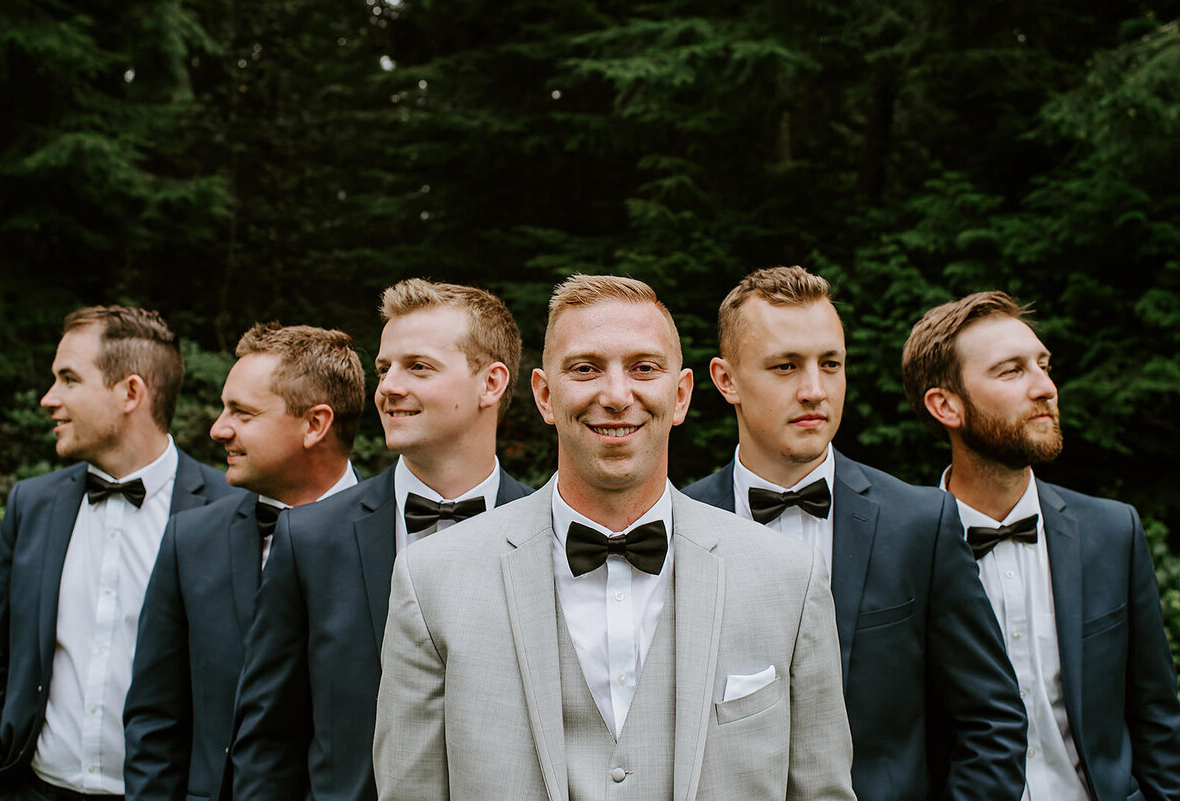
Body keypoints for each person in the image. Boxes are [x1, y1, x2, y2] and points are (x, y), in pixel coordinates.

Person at [374, 275, 855, 801]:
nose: (617, 395)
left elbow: (821, 790)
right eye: (585, 369)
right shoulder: (432, 580)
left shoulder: (789, 577)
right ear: (543, 395)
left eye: (644, 368)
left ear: (680, 396)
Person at [684, 266, 1027, 801]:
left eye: (831, 364)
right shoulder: (679, 526)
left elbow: (991, 722)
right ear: (725, 379)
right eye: (785, 366)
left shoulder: (921, 523)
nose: (815, 390)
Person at [232, 279, 533, 801]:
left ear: (491, 384)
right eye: (384, 368)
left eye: (418, 366)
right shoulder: (310, 539)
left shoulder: (550, 533)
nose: (388, 387)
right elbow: (268, 741)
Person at [902, 291, 1180, 801]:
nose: (1045, 388)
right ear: (946, 406)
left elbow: (1157, 716)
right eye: (1012, 372)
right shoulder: (899, 549)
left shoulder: (1113, 532)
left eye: (1044, 366)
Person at [0, 306, 237, 800]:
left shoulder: (230, 513)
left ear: (130, 393)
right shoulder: (31, 505)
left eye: (68, 379)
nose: (48, 399)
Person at [122, 323, 367, 801]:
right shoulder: (189, 541)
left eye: (243, 413)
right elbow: (155, 721)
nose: (219, 428)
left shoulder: (395, 538)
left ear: (315, 424)